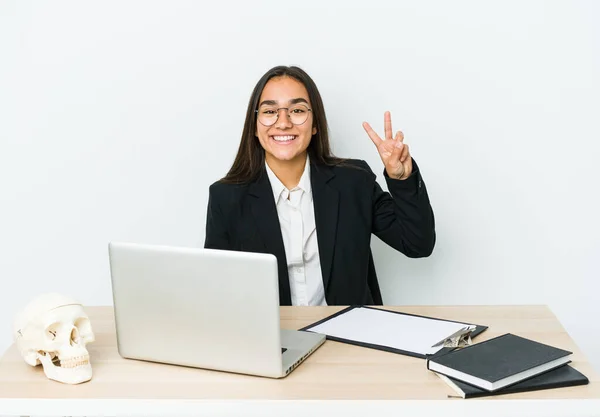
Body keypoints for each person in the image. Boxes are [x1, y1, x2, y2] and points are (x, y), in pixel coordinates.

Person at [204, 65, 435, 306]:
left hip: (350, 334)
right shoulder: (226, 197)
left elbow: (418, 244)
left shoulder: (353, 182)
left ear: (315, 124)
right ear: (254, 125)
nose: (283, 123)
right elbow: (216, 289)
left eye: (297, 110)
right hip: (270, 338)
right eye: (270, 111)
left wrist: (401, 179)